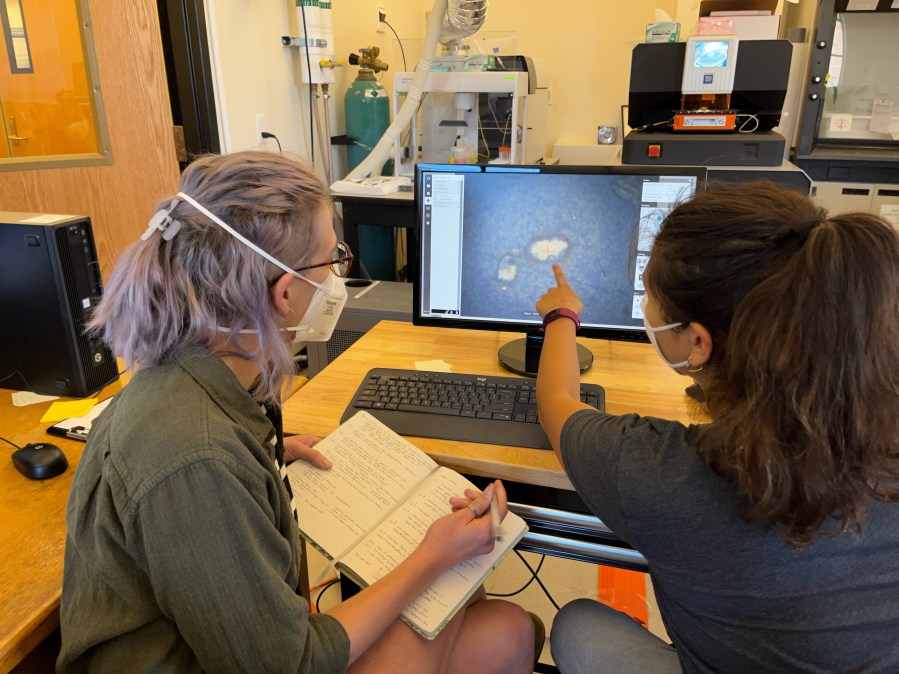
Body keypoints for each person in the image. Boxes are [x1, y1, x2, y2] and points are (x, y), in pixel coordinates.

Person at [58, 151, 536, 673]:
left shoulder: (189, 377)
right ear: (284, 293)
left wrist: (262, 457)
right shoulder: (197, 457)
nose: (336, 276)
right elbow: (291, 665)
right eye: (332, 261)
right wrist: (431, 556)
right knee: (484, 610)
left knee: (504, 625)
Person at [535, 181, 899, 673]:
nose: (646, 306)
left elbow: (556, 404)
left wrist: (561, 315)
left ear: (698, 343)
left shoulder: (660, 473)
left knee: (577, 624)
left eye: (649, 294)